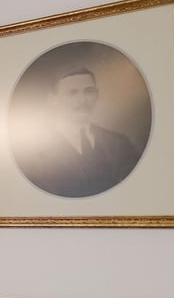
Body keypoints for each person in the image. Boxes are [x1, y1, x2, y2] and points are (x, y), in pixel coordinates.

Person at [13, 65, 142, 198]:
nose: (82, 100)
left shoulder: (120, 144)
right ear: (53, 100)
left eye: (89, 91)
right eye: (72, 93)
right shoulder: (33, 150)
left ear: (97, 94)